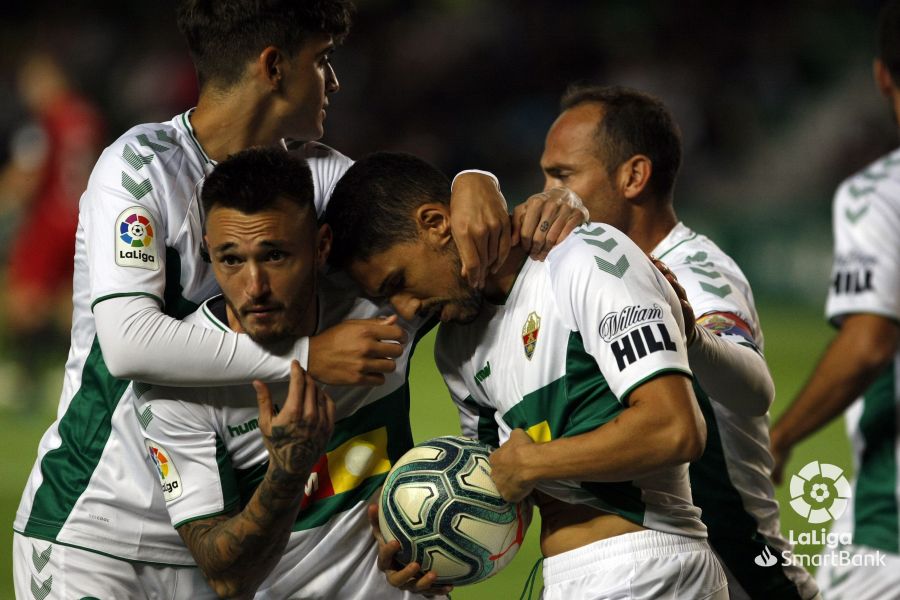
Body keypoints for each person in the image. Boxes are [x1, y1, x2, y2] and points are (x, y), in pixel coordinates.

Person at [12, 1, 587, 596]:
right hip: (99, 525)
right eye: (323, 60)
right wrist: (309, 355)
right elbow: (129, 342)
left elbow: (416, 219)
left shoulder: (321, 179)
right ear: (274, 67)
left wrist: (478, 181)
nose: (333, 81)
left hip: (222, 530)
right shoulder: (141, 168)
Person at [324, 151, 728, 600]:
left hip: (648, 567)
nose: (404, 309)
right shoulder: (456, 348)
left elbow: (675, 429)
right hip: (567, 579)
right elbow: (507, 493)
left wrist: (535, 462)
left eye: (396, 282)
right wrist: (425, 537)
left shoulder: (585, 258)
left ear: (436, 223)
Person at [538, 84, 820, 599]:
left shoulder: (698, 272)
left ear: (633, 176)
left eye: (563, 176)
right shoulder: (587, 281)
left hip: (742, 574)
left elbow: (750, 381)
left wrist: (690, 335)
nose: (547, 195)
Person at [137, 146, 439, 598]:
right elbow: (226, 577)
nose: (254, 287)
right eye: (231, 259)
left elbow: (470, 257)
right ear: (207, 254)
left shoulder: (376, 299)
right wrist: (286, 470)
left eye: (275, 256)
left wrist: (478, 183)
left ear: (321, 247)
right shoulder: (177, 388)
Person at [770, 2, 900, 597]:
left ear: (881, 77)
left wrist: (780, 436)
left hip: (887, 532)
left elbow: (869, 342)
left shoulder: (879, 193)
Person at [0, 51, 105, 409]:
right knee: (70, 304)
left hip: (48, 221)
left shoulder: (43, 123)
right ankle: (74, 376)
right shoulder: (88, 117)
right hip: (81, 218)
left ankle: (27, 378)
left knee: (21, 301)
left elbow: (29, 175)